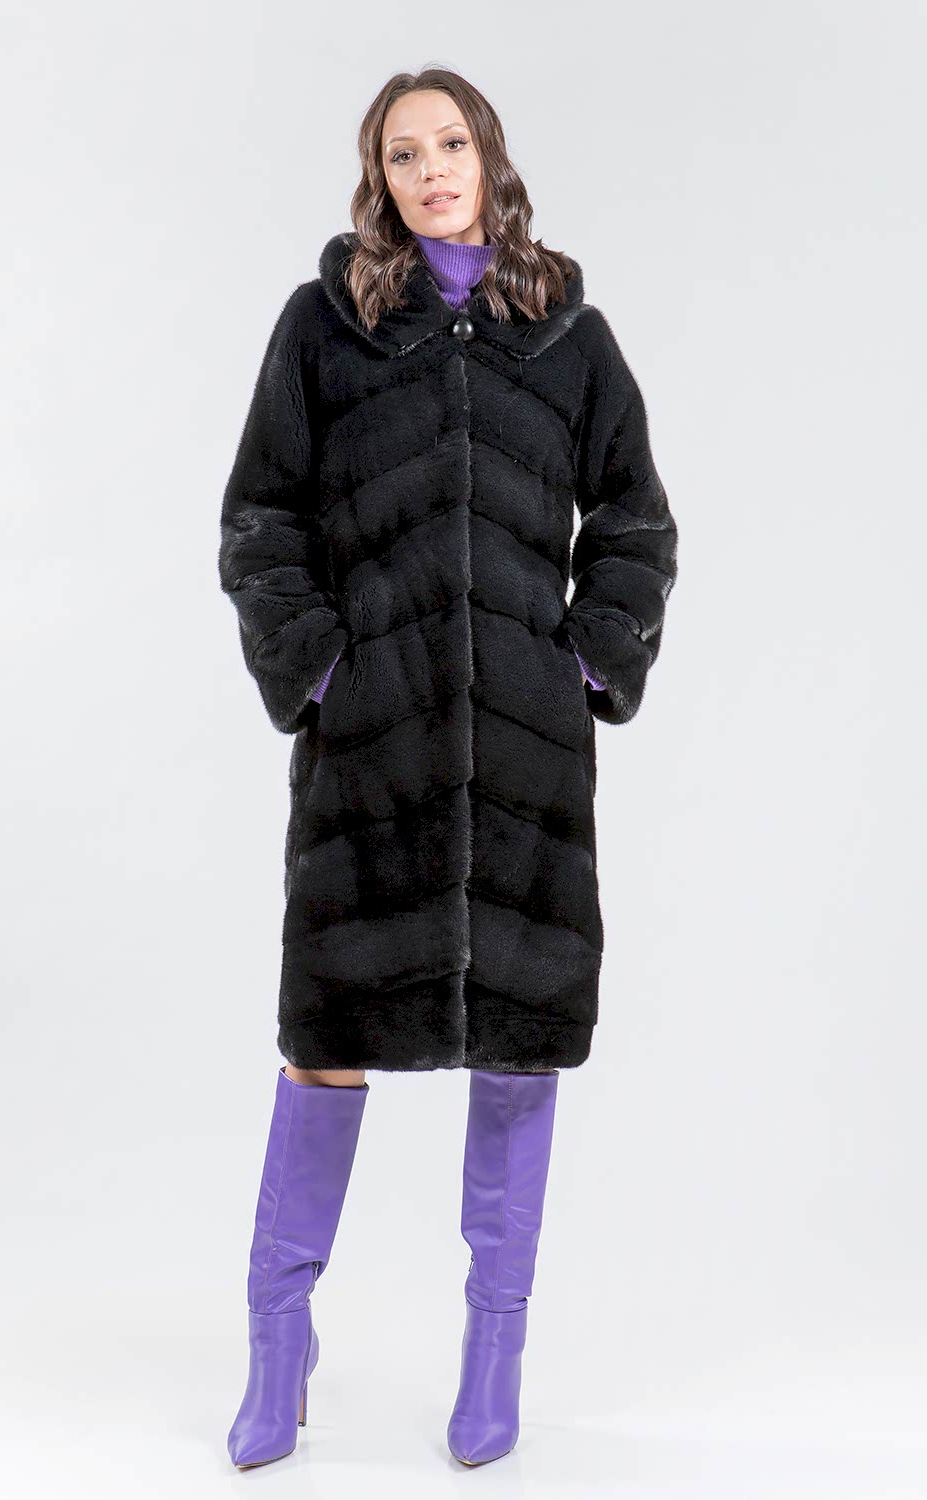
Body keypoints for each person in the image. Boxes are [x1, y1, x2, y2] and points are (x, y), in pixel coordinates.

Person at [217, 66, 678, 1469]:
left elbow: (635, 525)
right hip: (373, 749)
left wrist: (584, 667)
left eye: (451, 144)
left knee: (522, 1044)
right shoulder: (328, 327)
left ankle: (496, 1347)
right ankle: (278, 1338)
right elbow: (259, 520)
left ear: (490, 158)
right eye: (404, 153)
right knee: (326, 1038)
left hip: (525, 757)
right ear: (380, 178)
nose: (431, 171)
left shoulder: (567, 333)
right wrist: (319, 670)